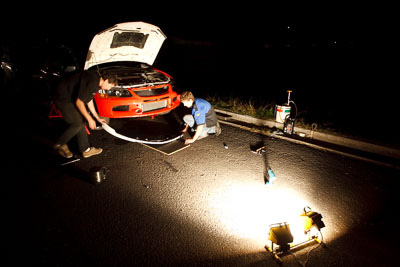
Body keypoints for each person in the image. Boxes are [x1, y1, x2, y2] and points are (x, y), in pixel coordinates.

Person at [52, 70, 117, 158]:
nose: (109, 89)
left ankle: (86, 150)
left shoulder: (97, 83)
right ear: (106, 80)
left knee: (81, 121)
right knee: (78, 123)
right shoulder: (92, 81)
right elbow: (79, 102)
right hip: (63, 98)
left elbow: (89, 100)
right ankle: (59, 144)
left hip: (71, 98)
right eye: (110, 86)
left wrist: (96, 117)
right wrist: (90, 119)